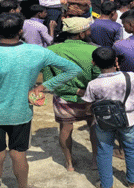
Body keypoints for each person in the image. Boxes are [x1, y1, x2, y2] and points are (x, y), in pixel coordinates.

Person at [0, 13, 82, 188]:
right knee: (19, 154)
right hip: (21, 113)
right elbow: (73, 70)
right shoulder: (38, 52)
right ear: (20, 31)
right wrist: (42, 87)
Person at [81, 47, 134, 188]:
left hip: (104, 123)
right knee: (131, 148)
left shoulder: (93, 85)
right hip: (129, 119)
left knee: (104, 152)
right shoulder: (131, 77)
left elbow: (88, 110)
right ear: (116, 60)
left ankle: (106, 184)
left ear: (94, 63)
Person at [43, 17, 100, 171]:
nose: (90, 31)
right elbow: (99, 80)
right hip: (90, 99)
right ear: (81, 34)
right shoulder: (95, 51)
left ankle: (69, 163)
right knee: (94, 127)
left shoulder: (51, 51)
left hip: (64, 98)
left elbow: (50, 81)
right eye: (88, 29)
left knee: (65, 129)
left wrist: (73, 90)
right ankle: (95, 160)